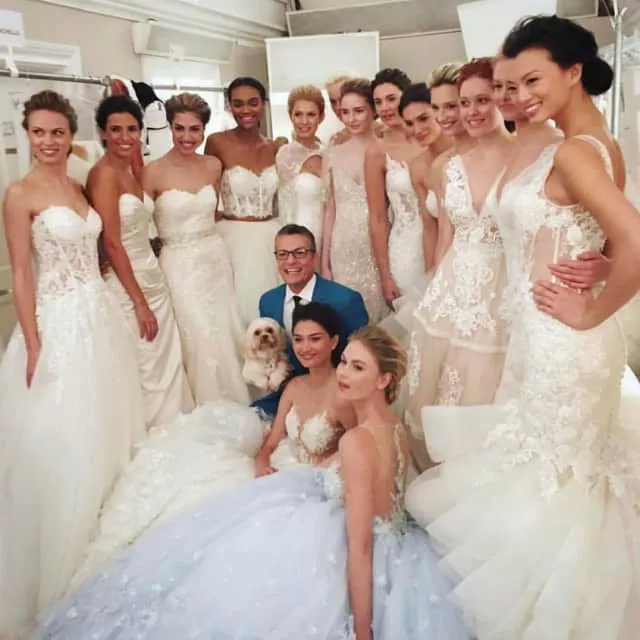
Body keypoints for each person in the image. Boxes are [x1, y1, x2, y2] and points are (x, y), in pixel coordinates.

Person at [406, 16, 640, 638]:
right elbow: (603, 234)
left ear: (573, 72)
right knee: (564, 471)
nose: (519, 96)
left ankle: (554, 608)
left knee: (556, 477)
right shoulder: (598, 143)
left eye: (532, 80)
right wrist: (603, 263)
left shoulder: (574, 150)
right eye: (509, 85)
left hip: (566, 336)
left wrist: (592, 308)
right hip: (551, 331)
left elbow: (636, 240)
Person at [35, 326, 471, 640]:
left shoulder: (357, 440)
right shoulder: (393, 427)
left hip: (358, 548)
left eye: (358, 367)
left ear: (384, 379)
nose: (343, 373)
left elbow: (358, 547)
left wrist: (362, 631)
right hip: (399, 542)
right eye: (344, 362)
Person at [68, 302, 354, 589]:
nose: (305, 348)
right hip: (283, 465)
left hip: (317, 478)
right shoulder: (294, 386)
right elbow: (273, 439)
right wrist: (261, 462)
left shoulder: (345, 393)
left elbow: (356, 445)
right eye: (299, 339)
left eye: (315, 339)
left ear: (333, 342)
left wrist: (312, 477)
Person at [0, 90, 143, 637]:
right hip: (57, 323)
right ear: (27, 135)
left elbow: (100, 246)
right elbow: (21, 272)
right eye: (39, 132)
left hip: (99, 315)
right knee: (67, 432)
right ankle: (66, 553)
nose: (48, 141)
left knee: (108, 421)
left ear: (70, 135)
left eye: (57, 132)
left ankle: (107, 531)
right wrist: (34, 341)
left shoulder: (80, 185)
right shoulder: (19, 194)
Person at [89, 94, 193, 427]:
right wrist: (139, 302)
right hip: (127, 284)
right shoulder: (104, 174)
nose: (125, 137)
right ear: (102, 133)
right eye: (115, 129)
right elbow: (111, 241)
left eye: (132, 129)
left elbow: (138, 223)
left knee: (164, 360)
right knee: (144, 362)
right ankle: (150, 435)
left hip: (152, 273)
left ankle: (173, 428)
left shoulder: (133, 170)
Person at [144, 92, 248, 405]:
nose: (187, 137)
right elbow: (141, 224)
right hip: (178, 263)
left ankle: (234, 398)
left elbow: (213, 212)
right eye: (179, 128)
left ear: (204, 130)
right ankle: (204, 404)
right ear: (169, 128)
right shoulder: (152, 171)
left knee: (223, 327)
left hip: (214, 257)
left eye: (194, 129)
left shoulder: (213, 166)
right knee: (196, 332)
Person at [254, 223, 368, 417]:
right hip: (284, 395)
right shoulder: (268, 301)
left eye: (299, 253)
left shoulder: (345, 300)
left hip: (334, 398)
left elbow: (362, 360)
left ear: (314, 257)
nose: (290, 261)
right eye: (283, 254)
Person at [205, 76, 282, 325]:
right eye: (238, 104)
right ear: (229, 106)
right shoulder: (217, 142)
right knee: (237, 309)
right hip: (233, 236)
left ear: (264, 104)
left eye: (253, 103)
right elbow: (206, 192)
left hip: (271, 233)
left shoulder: (274, 146)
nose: (245, 110)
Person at [321, 78, 388, 322]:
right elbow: (330, 209)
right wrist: (325, 261)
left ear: (373, 110)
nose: (351, 119)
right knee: (346, 316)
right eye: (345, 112)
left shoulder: (386, 150)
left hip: (379, 242)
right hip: (343, 245)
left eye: (359, 111)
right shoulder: (333, 154)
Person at [276, 85, 326, 249]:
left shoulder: (327, 151)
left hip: (327, 234)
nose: (304, 121)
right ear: (290, 116)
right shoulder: (286, 154)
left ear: (321, 117)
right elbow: (286, 205)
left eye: (311, 114)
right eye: (298, 114)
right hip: (299, 235)